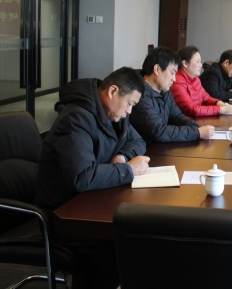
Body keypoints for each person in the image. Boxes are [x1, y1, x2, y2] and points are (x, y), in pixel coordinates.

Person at [36, 67, 151, 288]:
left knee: (134, 245)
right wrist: (128, 170)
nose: (129, 112)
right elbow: (82, 177)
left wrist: (122, 156)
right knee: (125, 252)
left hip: (91, 203)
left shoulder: (112, 114)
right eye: (129, 104)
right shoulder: (75, 119)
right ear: (113, 91)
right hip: (65, 217)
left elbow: (137, 141)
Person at [129, 46, 215, 144]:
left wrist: (197, 127)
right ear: (157, 69)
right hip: (147, 149)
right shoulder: (139, 95)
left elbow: (177, 116)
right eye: (172, 73)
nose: (174, 79)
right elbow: (158, 131)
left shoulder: (164, 91)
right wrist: (197, 132)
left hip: (161, 146)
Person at [171, 45, 232, 116]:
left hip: (197, 118)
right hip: (186, 121)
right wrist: (221, 109)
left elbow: (206, 98)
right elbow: (192, 109)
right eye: (198, 61)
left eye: (200, 61)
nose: (200, 65)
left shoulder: (196, 79)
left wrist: (219, 103)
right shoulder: (177, 82)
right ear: (185, 63)